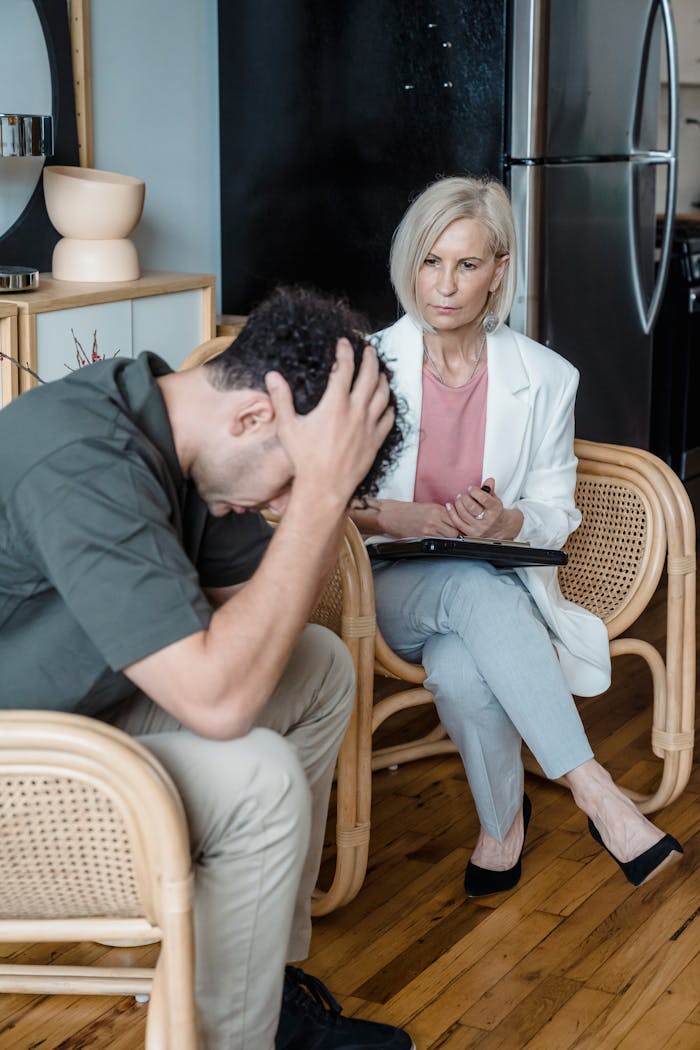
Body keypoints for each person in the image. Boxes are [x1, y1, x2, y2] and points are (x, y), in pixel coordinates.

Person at [0, 286, 414, 1050]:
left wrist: (316, 490)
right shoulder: (85, 458)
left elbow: (264, 629)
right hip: (14, 777)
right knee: (257, 777)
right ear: (255, 416)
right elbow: (221, 703)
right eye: (290, 481)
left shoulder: (181, 446)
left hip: (65, 727)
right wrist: (322, 496)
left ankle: (257, 994)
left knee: (318, 667)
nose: (287, 508)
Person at [350, 176, 683, 896]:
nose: (444, 285)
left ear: (498, 271)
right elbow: (318, 501)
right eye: (431, 261)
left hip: (490, 590)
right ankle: (598, 794)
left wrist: (511, 521)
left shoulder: (545, 376)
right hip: (377, 588)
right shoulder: (365, 366)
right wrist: (391, 515)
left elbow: (557, 506)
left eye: (466, 265)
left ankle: (502, 826)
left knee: (463, 671)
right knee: (470, 590)